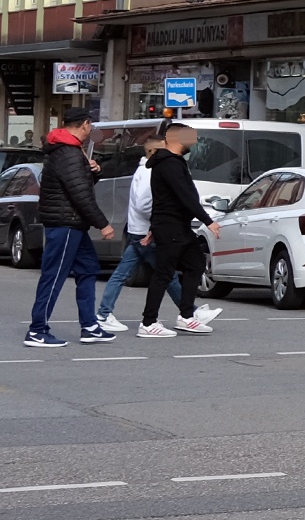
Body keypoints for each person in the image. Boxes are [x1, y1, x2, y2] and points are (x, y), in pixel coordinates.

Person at [98, 136, 219, 332]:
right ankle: (181, 314)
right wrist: (155, 225)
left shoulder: (146, 169)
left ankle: (104, 313)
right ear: (154, 151)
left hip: (143, 228)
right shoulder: (151, 171)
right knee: (165, 274)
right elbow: (145, 204)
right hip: (149, 229)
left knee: (127, 273)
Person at [26, 108, 117, 348]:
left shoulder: (65, 149)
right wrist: (103, 223)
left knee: (88, 269)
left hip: (71, 222)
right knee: (54, 275)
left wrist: (93, 172)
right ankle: (37, 330)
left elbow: (76, 184)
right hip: (65, 222)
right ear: (85, 124)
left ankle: (90, 326)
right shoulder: (69, 152)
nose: (90, 130)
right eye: (90, 125)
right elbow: (79, 194)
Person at [139, 122, 220, 337]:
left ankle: (186, 316)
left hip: (175, 225)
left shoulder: (173, 162)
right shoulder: (169, 164)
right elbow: (184, 195)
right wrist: (208, 220)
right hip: (171, 226)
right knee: (163, 273)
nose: (193, 141)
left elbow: (164, 198)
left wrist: (153, 228)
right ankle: (148, 322)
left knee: (196, 263)